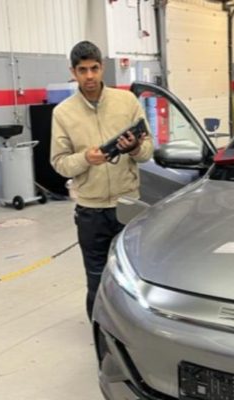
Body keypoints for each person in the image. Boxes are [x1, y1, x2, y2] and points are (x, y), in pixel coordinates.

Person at [50, 41, 154, 320]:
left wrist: (133, 147)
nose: (90, 76)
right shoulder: (62, 113)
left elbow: (147, 152)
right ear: (73, 72)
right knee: (96, 277)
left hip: (127, 204)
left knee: (133, 277)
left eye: (94, 68)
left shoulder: (127, 102)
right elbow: (59, 164)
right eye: (82, 70)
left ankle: (133, 329)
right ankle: (101, 332)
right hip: (90, 210)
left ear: (102, 67)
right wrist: (86, 158)